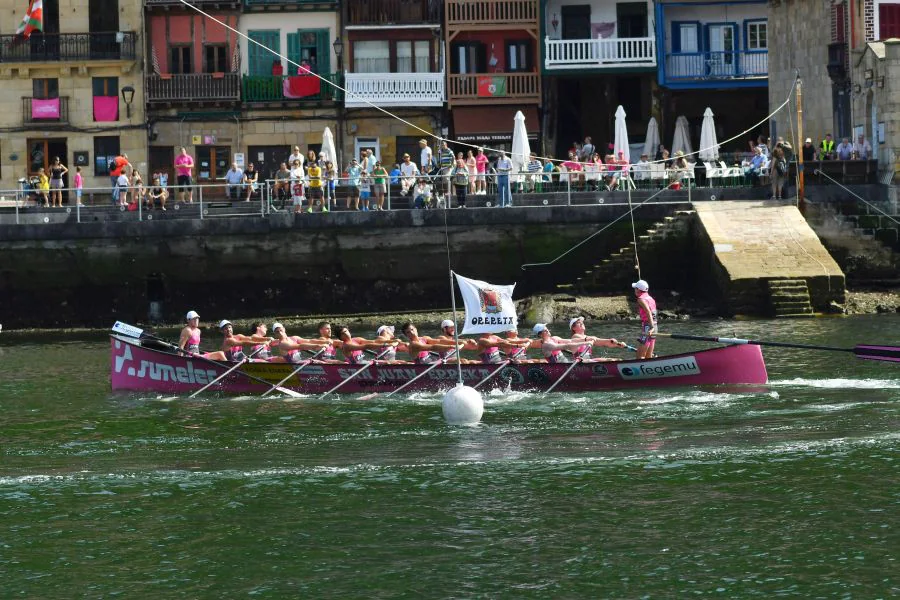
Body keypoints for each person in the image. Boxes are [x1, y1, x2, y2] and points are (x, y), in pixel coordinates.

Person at [204, 319, 273, 362]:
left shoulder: (238, 336)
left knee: (264, 362)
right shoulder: (228, 341)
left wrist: (267, 338)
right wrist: (261, 343)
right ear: (222, 331)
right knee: (262, 362)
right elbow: (243, 343)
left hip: (244, 361)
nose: (228, 330)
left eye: (229, 327)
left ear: (232, 328)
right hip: (234, 364)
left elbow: (252, 338)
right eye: (225, 328)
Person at [530, 323, 598, 363]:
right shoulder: (545, 345)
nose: (547, 330)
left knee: (596, 360)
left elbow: (570, 341)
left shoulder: (555, 338)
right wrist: (585, 343)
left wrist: (586, 339)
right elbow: (567, 345)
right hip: (557, 369)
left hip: (566, 364)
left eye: (547, 328)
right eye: (545, 330)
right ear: (540, 335)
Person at [632, 279, 657, 360]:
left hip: (648, 326)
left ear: (638, 290)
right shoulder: (651, 298)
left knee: (639, 356)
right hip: (655, 325)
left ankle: (637, 368)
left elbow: (648, 311)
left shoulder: (641, 299)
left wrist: (651, 327)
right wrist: (653, 327)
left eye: (635, 288)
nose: (634, 290)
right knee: (648, 356)